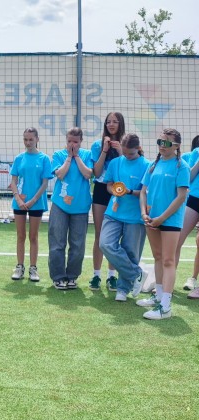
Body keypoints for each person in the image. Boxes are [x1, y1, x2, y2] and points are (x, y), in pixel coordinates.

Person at [136, 129, 189, 320]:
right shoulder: (153, 165)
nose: (161, 146)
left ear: (176, 146)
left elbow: (181, 197)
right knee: (158, 257)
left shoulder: (181, 167)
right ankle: (158, 297)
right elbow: (143, 191)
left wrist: (162, 218)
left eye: (166, 143)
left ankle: (165, 306)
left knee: (168, 260)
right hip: (152, 219)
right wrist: (144, 213)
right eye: (160, 142)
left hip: (170, 221)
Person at [98, 133, 150, 302]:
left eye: (131, 153)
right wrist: (114, 190)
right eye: (125, 152)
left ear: (138, 149)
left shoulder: (147, 165)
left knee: (131, 252)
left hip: (135, 216)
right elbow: (109, 184)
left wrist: (129, 191)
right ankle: (137, 274)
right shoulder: (115, 163)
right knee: (105, 243)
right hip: (113, 212)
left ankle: (123, 289)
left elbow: (145, 192)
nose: (127, 156)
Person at [48, 127, 94, 290]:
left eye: (75, 141)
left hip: (80, 206)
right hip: (60, 205)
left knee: (77, 244)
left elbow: (88, 174)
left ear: (81, 141)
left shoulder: (87, 155)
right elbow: (60, 174)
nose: (72, 144)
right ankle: (58, 277)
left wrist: (77, 157)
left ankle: (72, 276)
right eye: (69, 141)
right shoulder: (58, 155)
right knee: (57, 242)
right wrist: (69, 157)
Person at [9, 127, 52, 282]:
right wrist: (19, 200)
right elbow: (13, 181)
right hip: (19, 203)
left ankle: (33, 268)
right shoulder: (19, 158)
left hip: (36, 203)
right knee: (21, 236)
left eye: (31, 139)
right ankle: (19, 267)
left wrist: (33, 200)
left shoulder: (44, 159)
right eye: (25, 139)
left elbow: (45, 183)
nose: (28, 142)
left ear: (37, 139)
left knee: (33, 236)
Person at [89, 112, 126, 291]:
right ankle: (96, 275)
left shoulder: (126, 144)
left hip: (118, 190)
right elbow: (96, 172)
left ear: (120, 124)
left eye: (115, 122)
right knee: (99, 234)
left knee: (114, 236)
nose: (111, 124)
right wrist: (104, 150)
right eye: (108, 122)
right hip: (101, 190)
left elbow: (129, 168)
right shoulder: (97, 145)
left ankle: (112, 276)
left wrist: (120, 151)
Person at [177, 134, 199, 296]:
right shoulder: (196, 152)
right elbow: (189, 177)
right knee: (177, 239)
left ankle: (194, 280)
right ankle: (164, 284)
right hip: (193, 199)